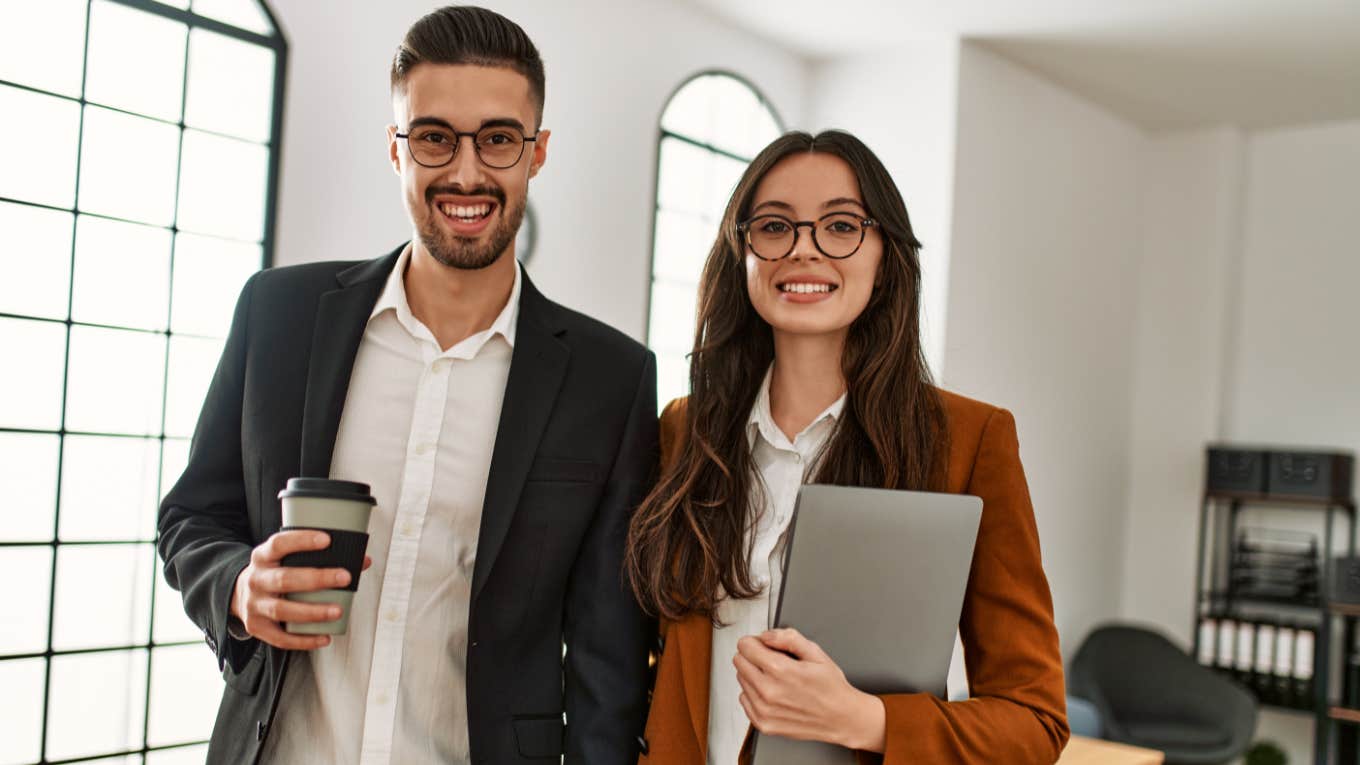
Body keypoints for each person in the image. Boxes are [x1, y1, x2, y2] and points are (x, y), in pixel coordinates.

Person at [157, 7, 656, 764]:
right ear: (396, 150)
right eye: (433, 137)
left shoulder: (610, 379)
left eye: (497, 138)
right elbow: (191, 517)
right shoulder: (278, 316)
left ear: (537, 151)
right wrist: (235, 587)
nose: (465, 171)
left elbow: (606, 665)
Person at [625, 130, 1069, 764]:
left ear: (885, 255)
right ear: (742, 251)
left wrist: (867, 719)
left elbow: (1035, 721)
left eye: (840, 226)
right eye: (774, 227)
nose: (804, 251)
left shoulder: (969, 442)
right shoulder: (683, 430)